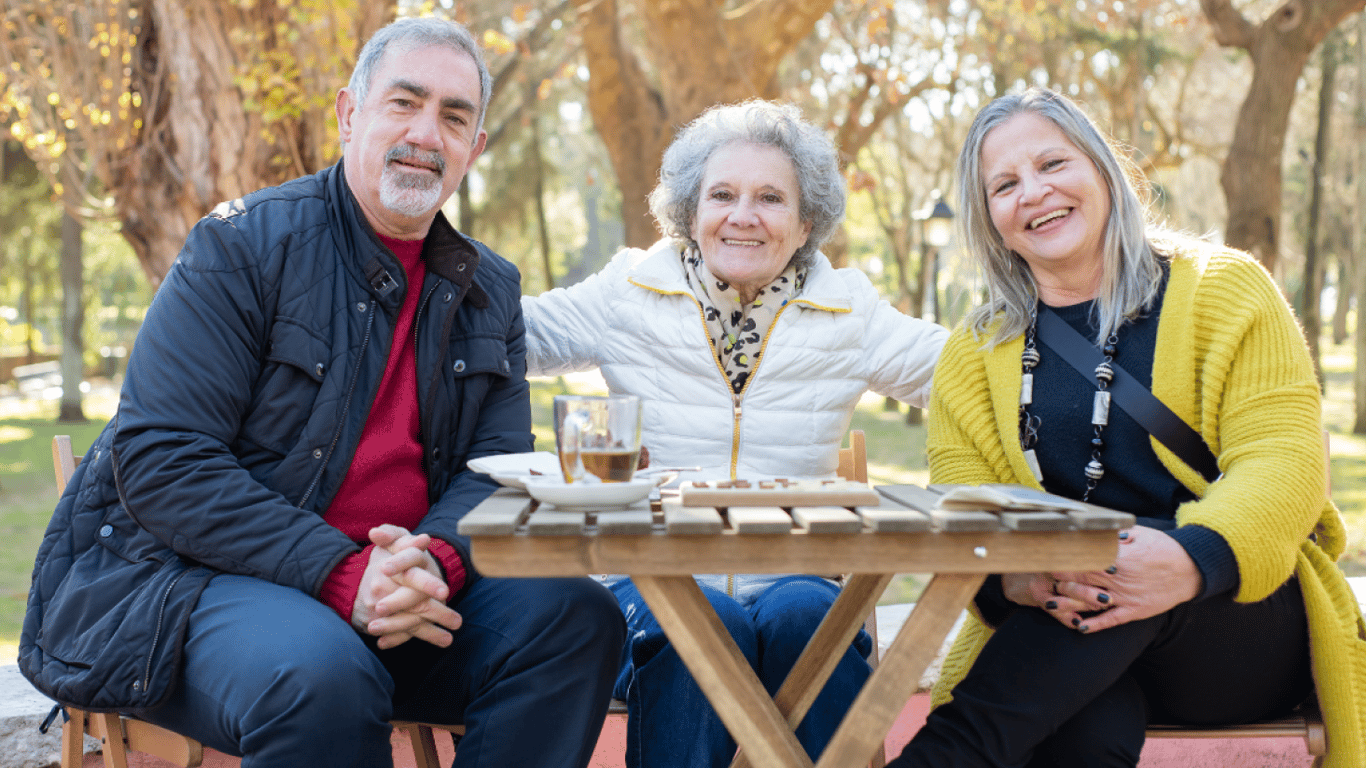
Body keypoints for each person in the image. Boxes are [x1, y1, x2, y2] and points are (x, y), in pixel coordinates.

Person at [19, 17, 625, 768]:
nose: (425, 133)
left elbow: (494, 471)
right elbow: (162, 459)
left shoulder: (487, 289)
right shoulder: (240, 248)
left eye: (453, 116)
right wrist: (342, 573)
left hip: (401, 596)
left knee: (578, 617)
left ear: (476, 149)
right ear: (348, 114)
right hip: (196, 587)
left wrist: (433, 561)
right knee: (321, 675)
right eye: (403, 102)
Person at [886, 87, 1366, 768]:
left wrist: (1185, 559)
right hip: (1067, 637)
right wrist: (1015, 582)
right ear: (989, 218)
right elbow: (969, 513)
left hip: (1233, 620)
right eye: (1005, 184)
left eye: (1053, 163)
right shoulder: (975, 352)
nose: (1034, 192)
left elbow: (1283, 462)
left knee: (1111, 572)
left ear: (1102, 168)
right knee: (1081, 734)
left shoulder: (1225, 290)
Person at [522, 100, 949, 768]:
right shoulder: (627, 291)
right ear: (691, 212)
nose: (743, 215)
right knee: (702, 625)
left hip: (795, 574)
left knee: (812, 618)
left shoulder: (848, 308)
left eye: (771, 198)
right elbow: (507, 336)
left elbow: (965, 372)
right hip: (650, 585)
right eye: (722, 194)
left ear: (806, 222)